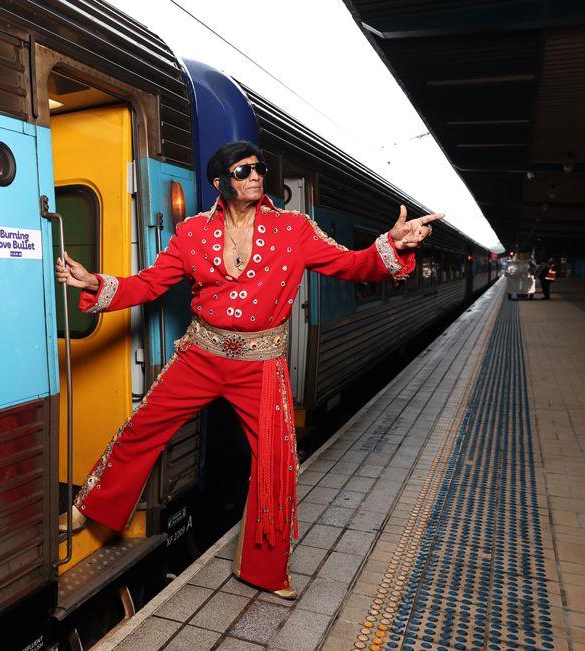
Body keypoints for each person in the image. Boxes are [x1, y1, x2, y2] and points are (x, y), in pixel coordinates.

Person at [54, 141, 442, 597]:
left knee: (277, 463)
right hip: (201, 353)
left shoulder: (294, 229)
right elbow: (151, 282)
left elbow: (353, 265)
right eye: (243, 171)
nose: (256, 176)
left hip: (259, 364)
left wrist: (392, 243)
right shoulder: (192, 232)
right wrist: (96, 283)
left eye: (259, 168)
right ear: (220, 183)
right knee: (144, 426)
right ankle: (92, 506)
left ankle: (265, 570)